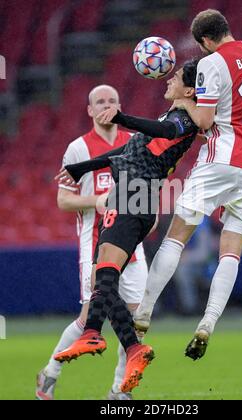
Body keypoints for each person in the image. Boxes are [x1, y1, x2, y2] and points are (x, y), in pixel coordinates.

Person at [133, 9, 242, 361]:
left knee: (176, 237)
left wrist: (183, 100)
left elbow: (205, 119)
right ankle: (208, 323)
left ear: (205, 42)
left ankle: (143, 313)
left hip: (221, 158)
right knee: (231, 249)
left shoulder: (213, 63)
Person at [54, 59, 200, 393]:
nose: (168, 80)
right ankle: (131, 348)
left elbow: (162, 133)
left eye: (175, 77)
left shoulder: (182, 119)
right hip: (133, 193)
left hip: (135, 193)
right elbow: (130, 150)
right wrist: (83, 168)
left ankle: (93, 335)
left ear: (189, 90)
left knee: (103, 275)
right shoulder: (168, 118)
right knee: (103, 277)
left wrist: (120, 117)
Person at [36, 85, 148, 401]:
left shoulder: (134, 143)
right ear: (89, 110)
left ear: (120, 106)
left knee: (138, 321)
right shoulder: (77, 149)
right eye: (100, 101)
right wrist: (96, 200)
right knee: (88, 317)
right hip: (96, 244)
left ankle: (119, 390)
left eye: (112, 100)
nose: (107, 106)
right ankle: (49, 374)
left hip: (132, 246)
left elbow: (144, 191)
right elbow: (62, 199)